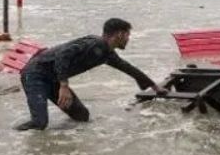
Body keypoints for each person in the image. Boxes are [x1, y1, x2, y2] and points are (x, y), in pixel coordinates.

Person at [15, 18, 163, 131]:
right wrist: (64, 86)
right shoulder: (94, 44)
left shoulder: (107, 53)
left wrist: (155, 88)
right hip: (35, 75)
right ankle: (12, 140)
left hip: (54, 79)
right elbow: (62, 55)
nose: (128, 39)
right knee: (40, 123)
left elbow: (129, 69)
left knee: (82, 116)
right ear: (119, 34)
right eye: (127, 35)